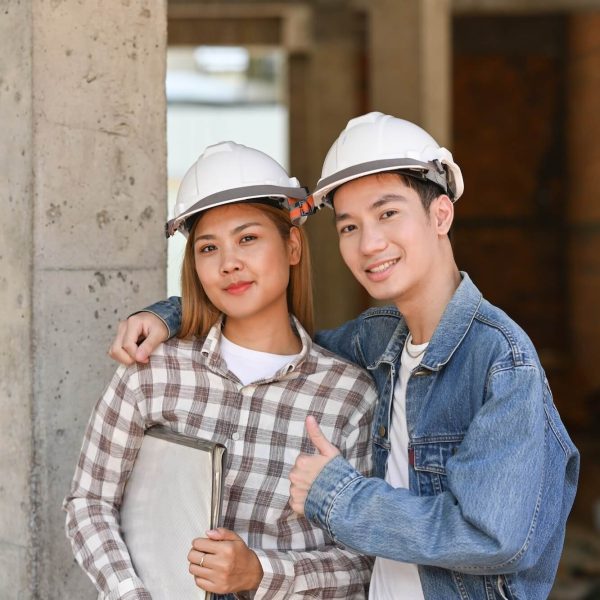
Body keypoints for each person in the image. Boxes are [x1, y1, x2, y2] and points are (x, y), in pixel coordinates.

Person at [108, 113, 580, 600]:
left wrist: (337, 496)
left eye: (387, 214)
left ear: (441, 215)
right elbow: (265, 326)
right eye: (349, 226)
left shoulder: (500, 362)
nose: (369, 243)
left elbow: (494, 538)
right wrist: (170, 314)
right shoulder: (375, 343)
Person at [64, 141, 376, 600]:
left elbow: (361, 563)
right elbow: (89, 503)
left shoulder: (348, 396)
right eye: (209, 247)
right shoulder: (154, 372)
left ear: (291, 246)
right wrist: (130, 594)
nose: (229, 262)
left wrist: (259, 573)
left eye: (248, 238)